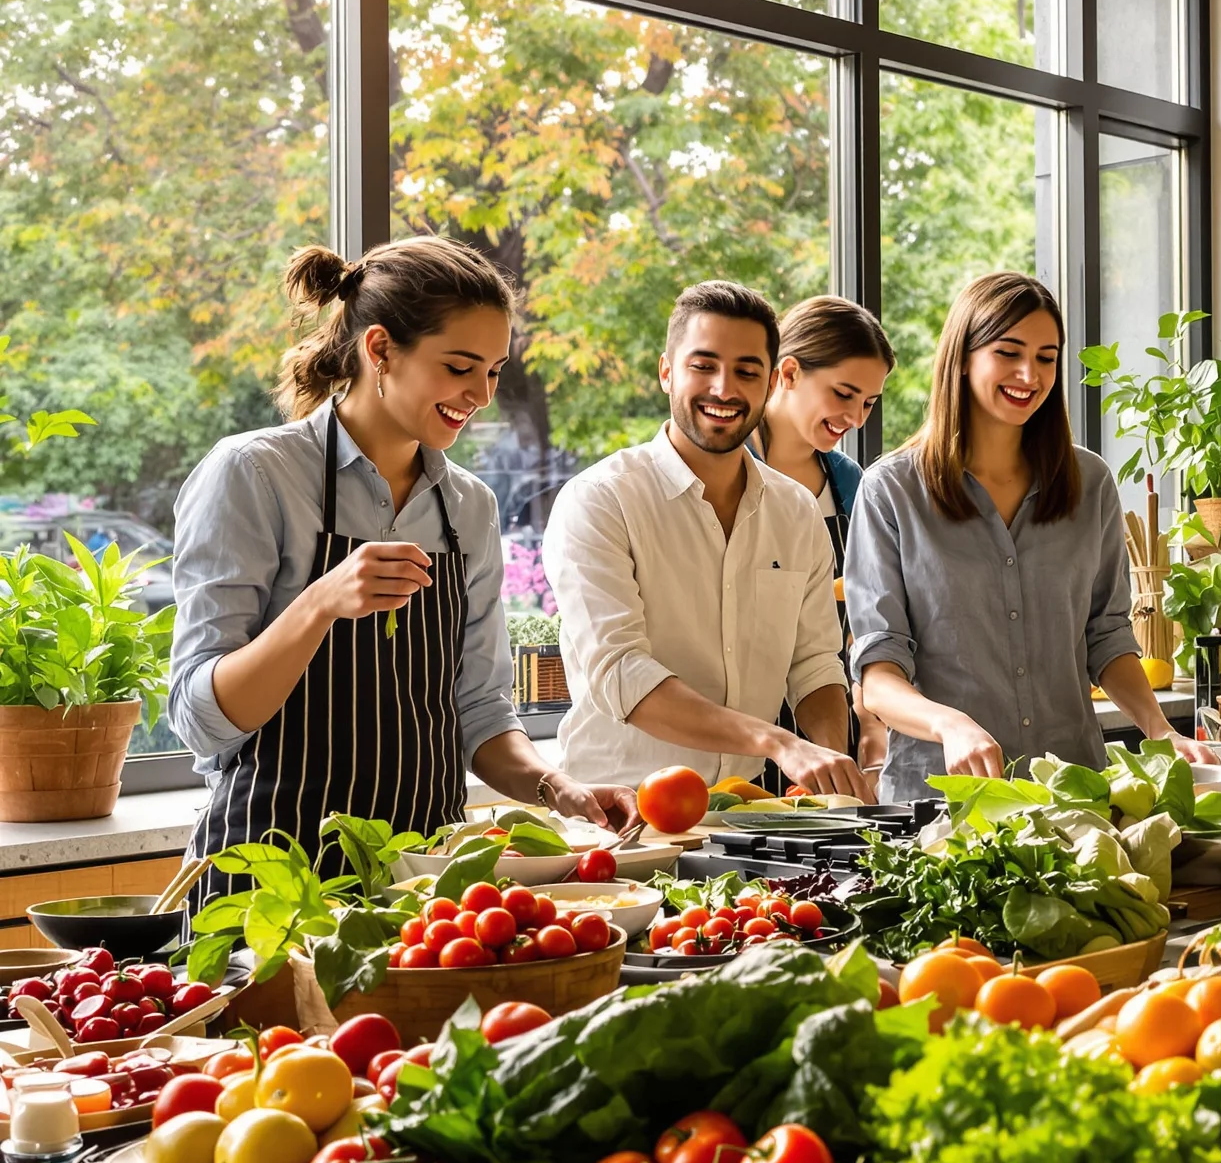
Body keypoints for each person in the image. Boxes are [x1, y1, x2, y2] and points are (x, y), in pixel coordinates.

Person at [169, 239, 634, 906]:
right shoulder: (255, 475)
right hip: (267, 887)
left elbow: (476, 708)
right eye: (459, 367)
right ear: (380, 350)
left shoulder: (468, 506)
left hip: (424, 889)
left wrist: (555, 787)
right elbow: (200, 717)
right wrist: (318, 603)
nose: (482, 395)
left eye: (495, 371)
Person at [845, 270, 1208, 803]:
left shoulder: (1090, 484)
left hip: (1074, 796)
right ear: (963, 356)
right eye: (1008, 352)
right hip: (941, 805)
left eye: (1046, 357)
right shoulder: (890, 491)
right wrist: (950, 725)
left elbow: (1105, 637)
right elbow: (878, 674)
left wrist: (1161, 730)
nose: (1028, 374)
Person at [543, 280, 871, 799]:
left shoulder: (797, 511)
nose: (724, 388)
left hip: (749, 814)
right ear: (666, 371)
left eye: (747, 371)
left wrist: (830, 766)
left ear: (770, 384)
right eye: (703, 365)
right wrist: (779, 742)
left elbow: (814, 665)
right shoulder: (600, 500)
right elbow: (621, 674)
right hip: (621, 819)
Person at [748, 295, 895, 772]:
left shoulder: (850, 483)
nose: (855, 418)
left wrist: (871, 726)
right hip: (741, 734)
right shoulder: (727, 471)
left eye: (869, 402)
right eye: (844, 393)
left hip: (831, 725)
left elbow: (862, 617)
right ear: (788, 373)